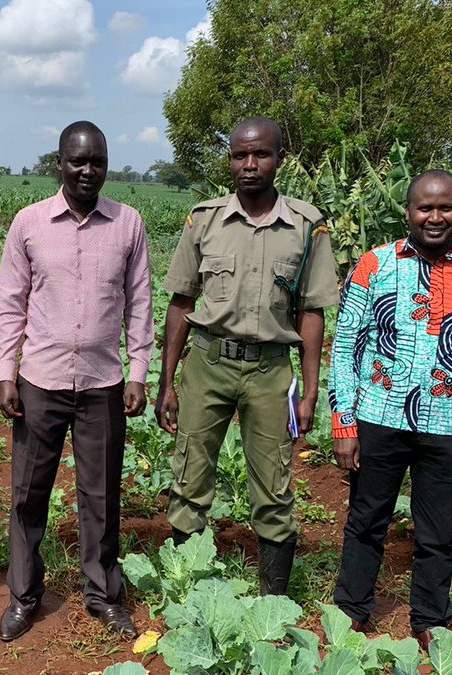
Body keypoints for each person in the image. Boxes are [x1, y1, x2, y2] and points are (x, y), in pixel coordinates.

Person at [329, 170, 452, 650]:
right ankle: (351, 611)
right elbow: (346, 345)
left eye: (445, 207)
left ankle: (430, 620)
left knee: (439, 529)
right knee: (366, 520)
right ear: (408, 211)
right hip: (378, 416)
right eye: (424, 208)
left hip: (450, 423)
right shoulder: (375, 264)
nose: (435, 217)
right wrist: (344, 422)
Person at [155, 117, 339, 596]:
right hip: (208, 363)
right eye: (240, 155)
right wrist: (166, 381)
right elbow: (181, 302)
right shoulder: (205, 220)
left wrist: (311, 390)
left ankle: (271, 599)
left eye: (260, 155)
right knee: (189, 476)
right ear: (231, 160)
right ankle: (189, 592)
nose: (249, 165)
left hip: (272, 370)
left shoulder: (307, 226)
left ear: (280, 158)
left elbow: (312, 311)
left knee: (275, 484)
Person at [0, 121, 153, 642]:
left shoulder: (128, 224)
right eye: (78, 161)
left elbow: (140, 303)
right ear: (58, 163)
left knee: (101, 496)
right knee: (28, 492)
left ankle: (103, 595)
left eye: (97, 162)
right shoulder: (30, 222)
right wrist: (5, 372)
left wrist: (139, 371)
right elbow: (10, 302)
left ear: (107, 165)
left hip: (104, 382)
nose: (88, 171)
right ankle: (23, 596)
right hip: (41, 380)